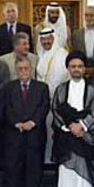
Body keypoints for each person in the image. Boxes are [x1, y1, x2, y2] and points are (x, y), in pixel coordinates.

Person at [52, 51, 94, 187]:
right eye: (73, 66)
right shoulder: (61, 89)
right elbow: (56, 110)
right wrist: (69, 127)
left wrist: (82, 126)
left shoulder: (93, 90)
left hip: (86, 135)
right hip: (66, 135)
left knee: (88, 168)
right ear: (68, 69)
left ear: (84, 69)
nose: (76, 69)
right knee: (67, 170)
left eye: (80, 66)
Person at [3, 57, 49, 187]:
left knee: (34, 168)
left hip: (34, 134)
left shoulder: (42, 87)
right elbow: (6, 108)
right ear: (16, 71)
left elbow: (44, 108)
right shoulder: (8, 88)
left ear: (31, 69)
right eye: (20, 69)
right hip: (13, 134)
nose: (23, 71)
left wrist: (32, 122)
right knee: (13, 168)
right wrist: (15, 122)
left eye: (26, 68)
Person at [35, 28, 69, 163]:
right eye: (43, 39)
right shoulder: (41, 55)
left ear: (54, 39)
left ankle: (53, 164)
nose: (46, 42)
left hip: (57, 103)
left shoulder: (62, 55)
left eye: (49, 39)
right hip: (41, 104)